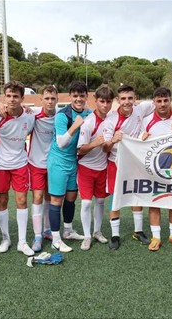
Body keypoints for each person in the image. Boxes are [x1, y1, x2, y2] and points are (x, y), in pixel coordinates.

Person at [102, 84, 172, 250]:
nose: (127, 102)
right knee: (115, 198)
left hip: (135, 161)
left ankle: (138, 231)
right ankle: (115, 235)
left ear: (135, 99)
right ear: (118, 100)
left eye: (130, 98)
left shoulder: (141, 109)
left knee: (137, 195)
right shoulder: (110, 120)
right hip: (116, 162)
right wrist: (113, 141)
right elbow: (105, 148)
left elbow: (164, 103)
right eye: (123, 99)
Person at [0, 81, 35, 256]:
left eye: (16, 96)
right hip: (0, 165)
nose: (12, 100)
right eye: (8, 96)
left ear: (22, 98)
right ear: (4, 97)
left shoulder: (30, 116)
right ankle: (5, 238)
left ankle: (22, 242)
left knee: (22, 201)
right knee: (2, 201)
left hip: (20, 164)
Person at [47, 80, 91, 252]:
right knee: (57, 200)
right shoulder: (62, 115)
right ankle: (55, 239)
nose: (78, 99)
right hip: (58, 162)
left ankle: (68, 231)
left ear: (86, 96)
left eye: (82, 96)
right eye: (75, 96)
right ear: (70, 97)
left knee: (71, 198)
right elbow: (61, 143)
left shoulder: (89, 113)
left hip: (74, 162)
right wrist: (75, 126)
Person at [140, 87, 172, 251]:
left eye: (166, 100)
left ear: (170, 101)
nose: (162, 104)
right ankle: (156, 236)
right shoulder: (146, 121)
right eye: (159, 101)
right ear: (154, 103)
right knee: (155, 201)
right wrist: (140, 139)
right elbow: (138, 144)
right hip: (154, 169)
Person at [77, 86, 114, 251]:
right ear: (95, 101)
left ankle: (97, 231)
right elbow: (80, 149)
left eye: (108, 101)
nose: (105, 105)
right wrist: (94, 144)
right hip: (85, 168)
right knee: (86, 203)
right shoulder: (88, 122)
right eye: (102, 101)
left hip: (103, 168)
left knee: (100, 201)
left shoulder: (112, 119)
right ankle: (86, 236)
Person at [28, 85, 59, 252]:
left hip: (54, 163)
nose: (50, 101)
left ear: (57, 100)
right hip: (36, 162)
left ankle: (48, 230)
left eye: (53, 98)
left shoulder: (61, 115)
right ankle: (38, 235)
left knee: (50, 196)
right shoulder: (33, 114)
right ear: (41, 100)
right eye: (47, 98)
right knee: (38, 196)